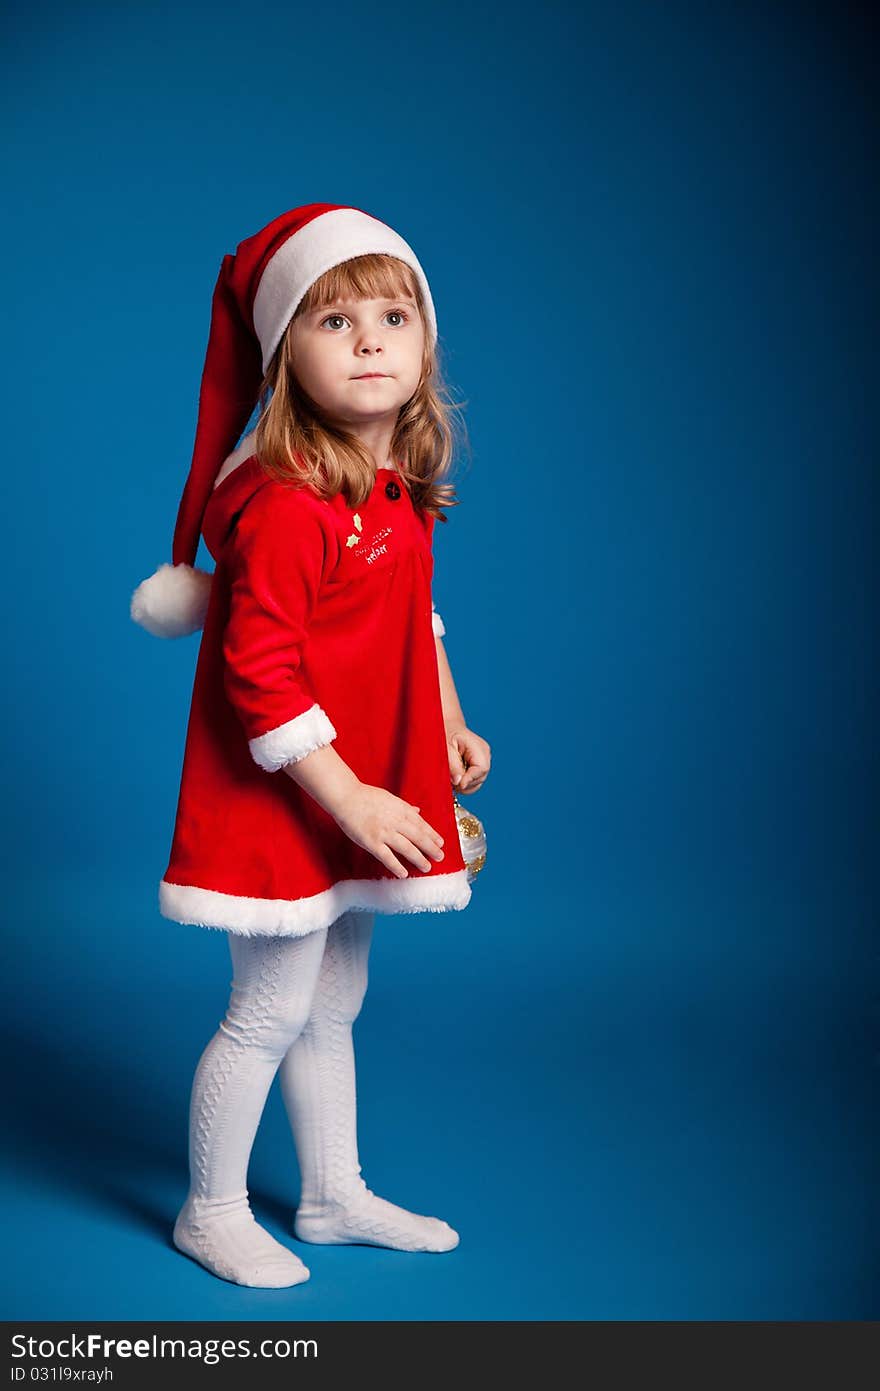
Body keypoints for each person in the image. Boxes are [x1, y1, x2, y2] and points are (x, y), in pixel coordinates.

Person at [130, 203, 491, 1289]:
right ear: (286, 353)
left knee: (333, 1000)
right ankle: (211, 1206)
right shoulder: (286, 503)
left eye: (394, 314)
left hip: (353, 783)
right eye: (335, 321)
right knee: (270, 1007)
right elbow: (259, 677)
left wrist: (448, 718)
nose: (372, 339)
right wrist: (358, 803)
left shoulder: (396, 483)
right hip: (285, 793)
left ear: (426, 344)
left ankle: (331, 1193)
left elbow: (414, 617)